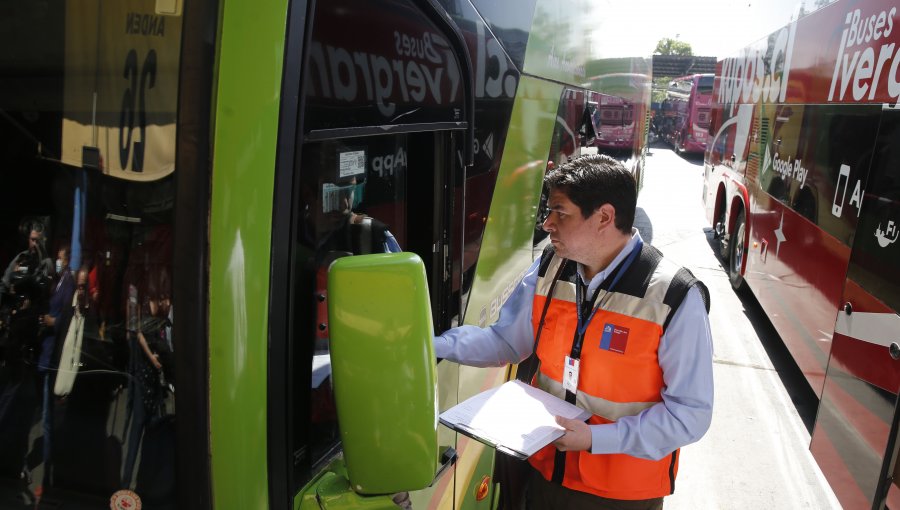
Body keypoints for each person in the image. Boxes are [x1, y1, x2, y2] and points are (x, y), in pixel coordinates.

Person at [434, 154, 713, 509]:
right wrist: (434, 346)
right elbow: (505, 341)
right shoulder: (551, 266)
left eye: (560, 213)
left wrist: (596, 438)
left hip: (619, 497)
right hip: (543, 471)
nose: (548, 224)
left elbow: (690, 415)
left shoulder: (673, 295)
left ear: (604, 217)